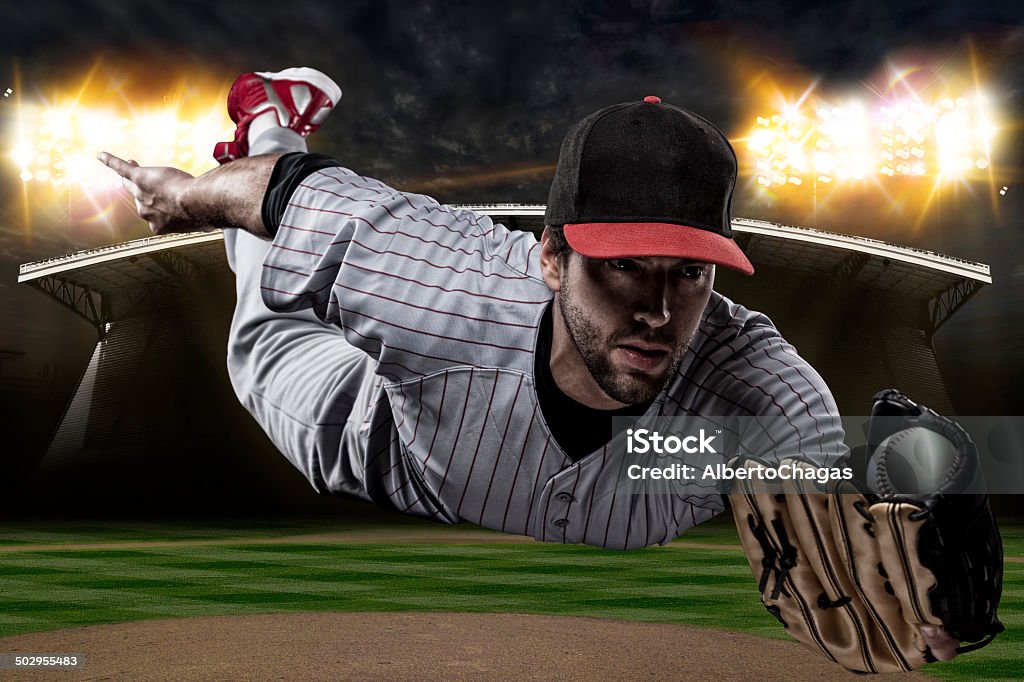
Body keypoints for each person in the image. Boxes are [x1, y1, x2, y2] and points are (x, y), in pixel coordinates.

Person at [99, 66, 965, 661]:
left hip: (601, 465)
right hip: (377, 438)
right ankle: (264, 110)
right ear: (551, 257)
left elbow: (842, 528)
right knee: (264, 330)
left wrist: (920, 598)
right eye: (622, 263)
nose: (658, 310)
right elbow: (289, 196)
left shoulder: (757, 395)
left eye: (689, 273)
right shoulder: (445, 281)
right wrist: (176, 195)